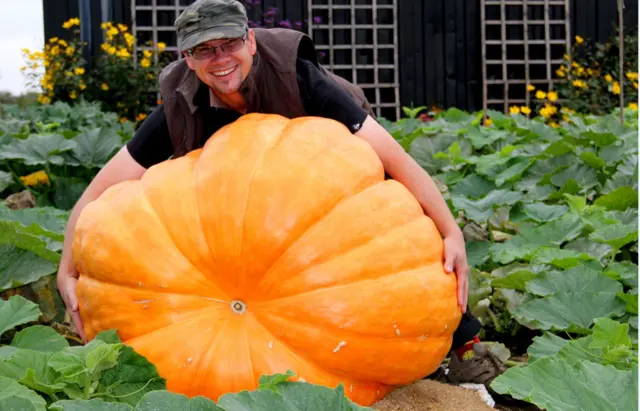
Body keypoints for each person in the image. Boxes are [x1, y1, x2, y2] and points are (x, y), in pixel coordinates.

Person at [56, 0, 505, 389]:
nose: (219, 59)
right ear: (188, 59)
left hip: (331, 170)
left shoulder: (302, 79)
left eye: (228, 44)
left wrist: (452, 233)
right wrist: (66, 268)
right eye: (204, 51)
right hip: (249, 208)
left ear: (250, 41)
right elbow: (103, 188)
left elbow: (396, 160)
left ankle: (466, 341)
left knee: (389, 239)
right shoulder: (178, 106)